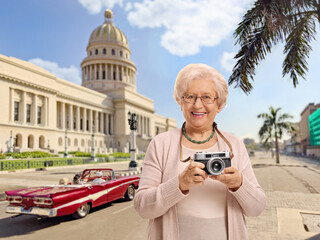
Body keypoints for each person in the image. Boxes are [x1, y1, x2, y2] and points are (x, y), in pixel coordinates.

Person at [133, 63, 266, 240]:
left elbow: (257, 208)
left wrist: (239, 184)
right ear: (181, 102)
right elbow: (142, 207)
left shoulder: (235, 145)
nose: (197, 105)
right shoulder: (161, 144)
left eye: (206, 97)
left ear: (219, 105)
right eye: (190, 97)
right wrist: (179, 184)